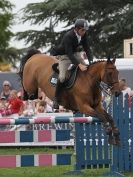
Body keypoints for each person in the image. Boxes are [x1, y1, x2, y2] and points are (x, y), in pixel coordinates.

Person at [50, 19, 93, 109]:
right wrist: (79, 65)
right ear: (77, 29)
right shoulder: (68, 36)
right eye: (82, 30)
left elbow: (87, 48)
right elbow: (69, 54)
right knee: (62, 78)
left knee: (88, 70)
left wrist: (91, 62)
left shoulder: (84, 34)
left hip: (76, 54)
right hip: (65, 56)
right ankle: (56, 99)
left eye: (85, 30)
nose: (84, 32)